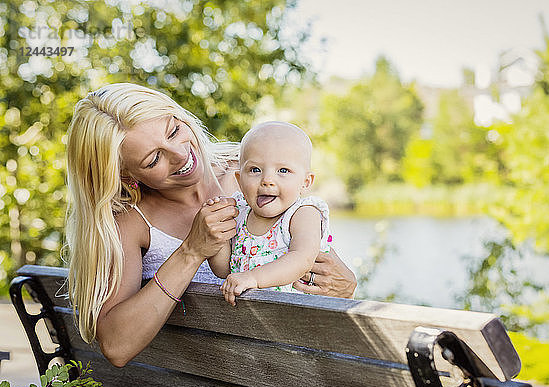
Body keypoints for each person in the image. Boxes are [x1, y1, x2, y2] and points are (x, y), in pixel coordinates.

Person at [64, 83, 357, 367]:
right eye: (154, 159)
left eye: (175, 131)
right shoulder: (130, 222)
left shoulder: (250, 169)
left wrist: (346, 288)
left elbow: (309, 259)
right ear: (127, 176)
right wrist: (191, 251)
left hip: (286, 361)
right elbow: (116, 346)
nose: (180, 155)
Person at [207, 122, 333, 305]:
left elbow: (302, 258)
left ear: (305, 182)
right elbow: (223, 270)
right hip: (251, 321)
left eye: (283, 170)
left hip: (298, 318)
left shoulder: (303, 213)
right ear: (239, 180)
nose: (267, 180)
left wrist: (253, 278)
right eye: (255, 170)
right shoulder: (240, 213)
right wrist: (217, 236)